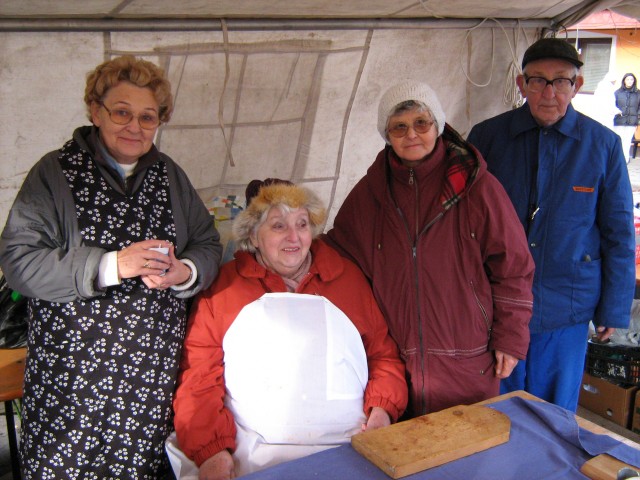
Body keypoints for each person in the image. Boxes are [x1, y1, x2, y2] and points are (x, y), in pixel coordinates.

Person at [0, 55, 222, 478]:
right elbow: (19, 262)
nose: (134, 127)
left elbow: (208, 243)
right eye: (122, 112)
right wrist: (111, 265)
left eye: (147, 117)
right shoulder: (55, 173)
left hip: (149, 382)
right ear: (96, 111)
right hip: (71, 381)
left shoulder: (170, 175)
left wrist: (186, 271)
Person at [324, 80, 535, 419]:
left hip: (468, 360)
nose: (411, 134)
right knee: (403, 449)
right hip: (395, 366)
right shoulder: (370, 193)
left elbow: (514, 267)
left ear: (438, 125)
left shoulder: (476, 187)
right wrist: (286, 237)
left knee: (468, 447)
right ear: (386, 135)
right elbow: (337, 255)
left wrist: (510, 338)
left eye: (421, 123)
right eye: (399, 127)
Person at [170, 180, 408, 479]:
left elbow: (382, 356)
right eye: (279, 226)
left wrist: (382, 411)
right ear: (254, 236)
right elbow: (199, 376)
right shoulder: (224, 287)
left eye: (302, 224)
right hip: (252, 454)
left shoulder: (347, 278)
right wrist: (212, 450)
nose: (294, 237)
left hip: (349, 450)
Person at [467, 38, 636, 412]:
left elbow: (619, 233)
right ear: (521, 84)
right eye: (538, 80)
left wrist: (613, 308)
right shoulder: (487, 138)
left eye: (561, 81)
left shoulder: (603, 145)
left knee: (555, 414)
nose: (549, 92)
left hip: (568, 304)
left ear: (576, 86)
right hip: (498, 304)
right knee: (497, 409)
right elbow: (464, 223)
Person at [614, 73, 640, 163]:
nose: (630, 81)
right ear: (624, 81)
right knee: (619, 140)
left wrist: (638, 118)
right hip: (619, 121)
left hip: (632, 122)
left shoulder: (638, 93)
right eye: (628, 79)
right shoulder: (617, 92)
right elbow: (613, 105)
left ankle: (625, 159)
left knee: (627, 141)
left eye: (631, 79)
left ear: (634, 81)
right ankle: (617, 160)